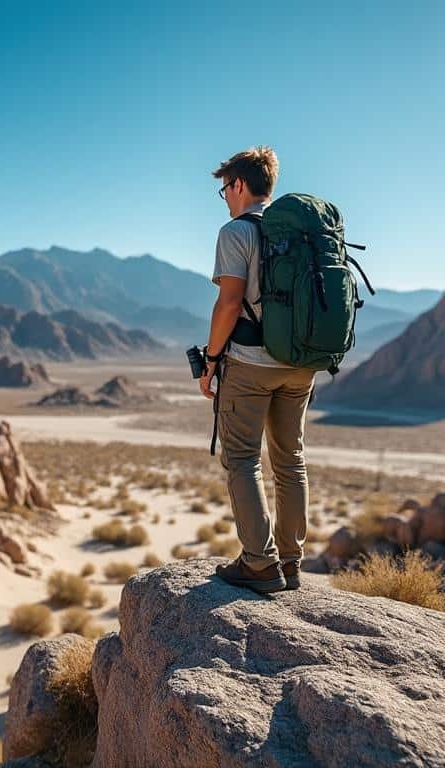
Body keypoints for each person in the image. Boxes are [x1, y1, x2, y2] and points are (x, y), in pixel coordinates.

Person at [199, 146, 314, 594]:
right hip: (301, 365)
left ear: (240, 185)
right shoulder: (302, 235)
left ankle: (260, 564)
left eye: (224, 188)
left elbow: (229, 302)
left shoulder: (236, 232)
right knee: (291, 461)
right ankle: (291, 562)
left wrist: (210, 361)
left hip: (249, 365)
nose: (225, 197)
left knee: (243, 458)